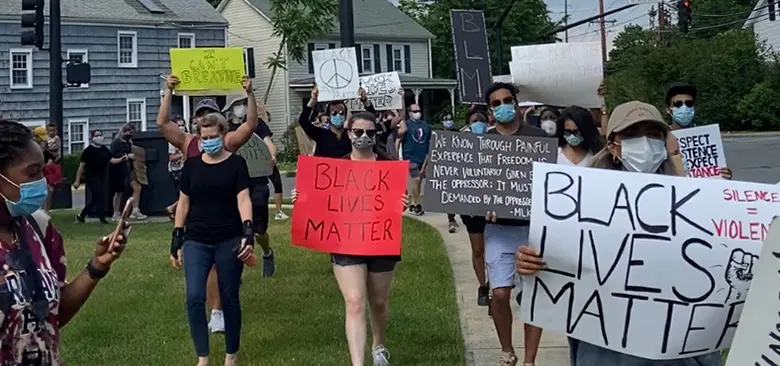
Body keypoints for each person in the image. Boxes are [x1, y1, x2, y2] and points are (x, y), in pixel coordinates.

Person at [516, 101, 722, 366]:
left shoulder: (694, 202)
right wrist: (530, 261)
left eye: (654, 134)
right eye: (633, 134)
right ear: (613, 145)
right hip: (607, 351)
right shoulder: (579, 203)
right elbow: (555, 270)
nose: (645, 142)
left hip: (676, 351)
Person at [0, 119, 129, 364]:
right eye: (32, 172)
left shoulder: (40, 228)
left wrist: (96, 268)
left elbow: (53, 316)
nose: (42, 181)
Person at [291, 111, 408, 366]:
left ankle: (379, 345)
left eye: (369, 132)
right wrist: (302, 197)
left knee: (378, 301)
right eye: (358, 132)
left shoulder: (388, 166)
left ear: (375, 134)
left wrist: (402, 202)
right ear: (349, 133)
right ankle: (357, 362)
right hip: (346, 240)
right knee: (354, 301)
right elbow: (319, 198)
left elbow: (397, 201)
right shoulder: (336, 167)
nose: (363, 137)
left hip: (381, 240)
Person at [159, 75, 257, 334]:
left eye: (210, 114)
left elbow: (250, 124)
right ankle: (216, 310)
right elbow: (162, 123)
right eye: (201, 114)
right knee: (205, 264)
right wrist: (169, 91)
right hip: (196, 212)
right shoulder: (188, 141)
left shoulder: (227, 142)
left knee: (222, 266)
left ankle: (219, 309)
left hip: (226, 211)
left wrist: (250, 94)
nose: (205, 119)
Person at [169, 113, 254, 366]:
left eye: (214, 137)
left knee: (229, 295)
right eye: (204, 138)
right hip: (196, 239)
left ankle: (231, 354)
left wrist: (247, 231)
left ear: (223, 135)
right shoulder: (192, 166)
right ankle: (203, 357)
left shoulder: (236, 164)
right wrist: (177, 237)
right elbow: (183, 204)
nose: (209, 141)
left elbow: (243, 199)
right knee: (194, 296)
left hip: (228, 237)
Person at [483, 82, 548, 366]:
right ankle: (507, 348)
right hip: (499, 229)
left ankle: (530, 360)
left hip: (535, 228)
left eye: (507, 100)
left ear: (517, 102)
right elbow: (472, 186)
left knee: (534, 295)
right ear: (490, 110)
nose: (502, 106)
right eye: (496, 103)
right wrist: (481, 207)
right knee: (499, 292)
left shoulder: (538, 139)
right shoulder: (481, 142)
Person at [224, 92, 278, 277]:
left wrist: (271, 155)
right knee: (235, 228)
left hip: (258, 181)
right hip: (234, 183)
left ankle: (267, 253)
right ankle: (235, 268)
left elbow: (268, 143)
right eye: (237, 104)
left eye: (243, 103)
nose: (242, 107)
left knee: (259, 231)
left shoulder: (257, 125)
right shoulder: (226, 129)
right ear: (230, 109)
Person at [665, 82, 733, 180]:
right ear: (668, 109)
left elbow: (717, 172)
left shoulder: (707, 138)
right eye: (678, 104)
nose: (684, 108)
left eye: (689, 103)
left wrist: (725, 175)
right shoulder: (662, 138)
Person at [461, 108, 491, 307]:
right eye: (474, 120)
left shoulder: (497, 138)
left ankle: (496, 285)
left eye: (481, 119)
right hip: (471, 206)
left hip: (494, 204)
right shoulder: (459, 142)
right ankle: (483, 285)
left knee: (496, 248)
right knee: (478, 248)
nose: (478, 122)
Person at [299, 87, 377, 158]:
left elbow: (372, 119)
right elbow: (303, 121)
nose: (338, 115)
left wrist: (365, 100)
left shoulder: (352, 135)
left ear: (345, 115)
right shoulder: (320, 134)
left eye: (341, 113)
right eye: (334, 113)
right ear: (329, 116)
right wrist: (313, 100)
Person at [74, 129, 114, 224]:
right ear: (92, 138)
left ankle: (82, 215)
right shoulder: (88, 151)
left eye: (100, 135)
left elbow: (112, 160)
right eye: (96, 135)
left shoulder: (104, 149)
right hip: (91, 176)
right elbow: (81, 166)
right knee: (98, 196)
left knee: (96, 198)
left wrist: (123, 158)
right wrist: (77, 180)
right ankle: (102, 218)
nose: (99, 137)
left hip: (102, 176)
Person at [398, 103, 431, 216]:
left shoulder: (425, 125)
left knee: (418, 180)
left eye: (419, 110)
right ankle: (417, 204)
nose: (417, 113)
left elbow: (429, 141)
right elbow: (399, 138)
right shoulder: (406, 125)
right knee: (416, 179)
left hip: (423, 156)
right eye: (415, 111)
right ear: (410, 113)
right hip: (410, 156)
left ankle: (412, 203)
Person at [109, 123, 146, 220]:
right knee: (119, 192)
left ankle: (135, 211)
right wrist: (126, 156)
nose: (130, 134)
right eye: (129, 132)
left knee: (137, 187)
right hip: (119, 169)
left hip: (129, 169)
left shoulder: (129, 142)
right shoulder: (116, 142)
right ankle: (116, 213)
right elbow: (112, 157)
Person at [440, 111, 461, 233]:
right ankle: (451, 219)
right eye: (446, 119)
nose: (449, 121)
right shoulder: (439, 135)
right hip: (445, 168)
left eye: (450, 118)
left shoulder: (457, 133)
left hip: (458, 167)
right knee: (449, 193)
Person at [168, 116, 187, 189]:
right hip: (176, 170)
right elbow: (171, 157)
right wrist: (183, 154)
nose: (181, 127)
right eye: (179, 126)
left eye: (182, 125)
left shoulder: (188, 137)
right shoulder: (172, 140)